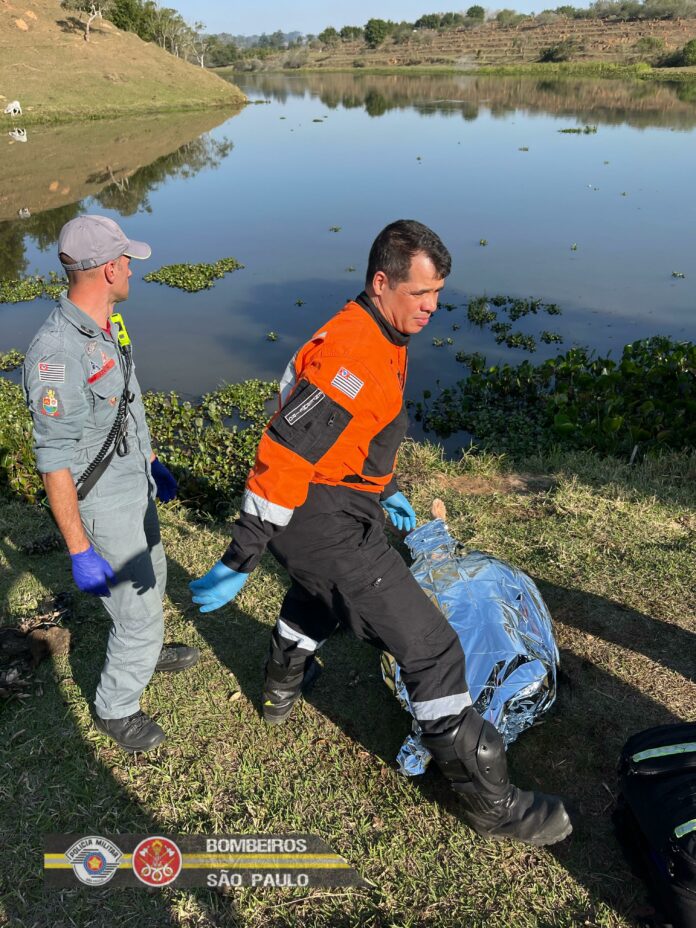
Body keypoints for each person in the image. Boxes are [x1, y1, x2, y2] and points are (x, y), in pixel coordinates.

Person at [190, 219, 572, 846]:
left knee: (319, 593)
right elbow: (288, 449)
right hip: (318, 516)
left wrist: (384, 487)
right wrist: (242, 553)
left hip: (338, 501)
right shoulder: (354, 351)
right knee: (432, 649)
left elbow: (355, 430)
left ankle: (282, 686)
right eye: (420, 294)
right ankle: (491, 805)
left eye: (438, 296)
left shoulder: (376, 328)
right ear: (381, 281)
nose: (431, 309)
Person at [23, 214, 199, 754]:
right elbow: (54, 462)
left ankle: (145, 647)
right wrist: (79, 548)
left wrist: (150, 461)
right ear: (104, 269)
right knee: (137, 611)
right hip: (101, 502)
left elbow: (128, 400)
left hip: (133, 483)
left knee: (157, 575)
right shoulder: (57, 352)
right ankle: (116, 706)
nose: (131, 268)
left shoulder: (106, 324)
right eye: (124, 260)